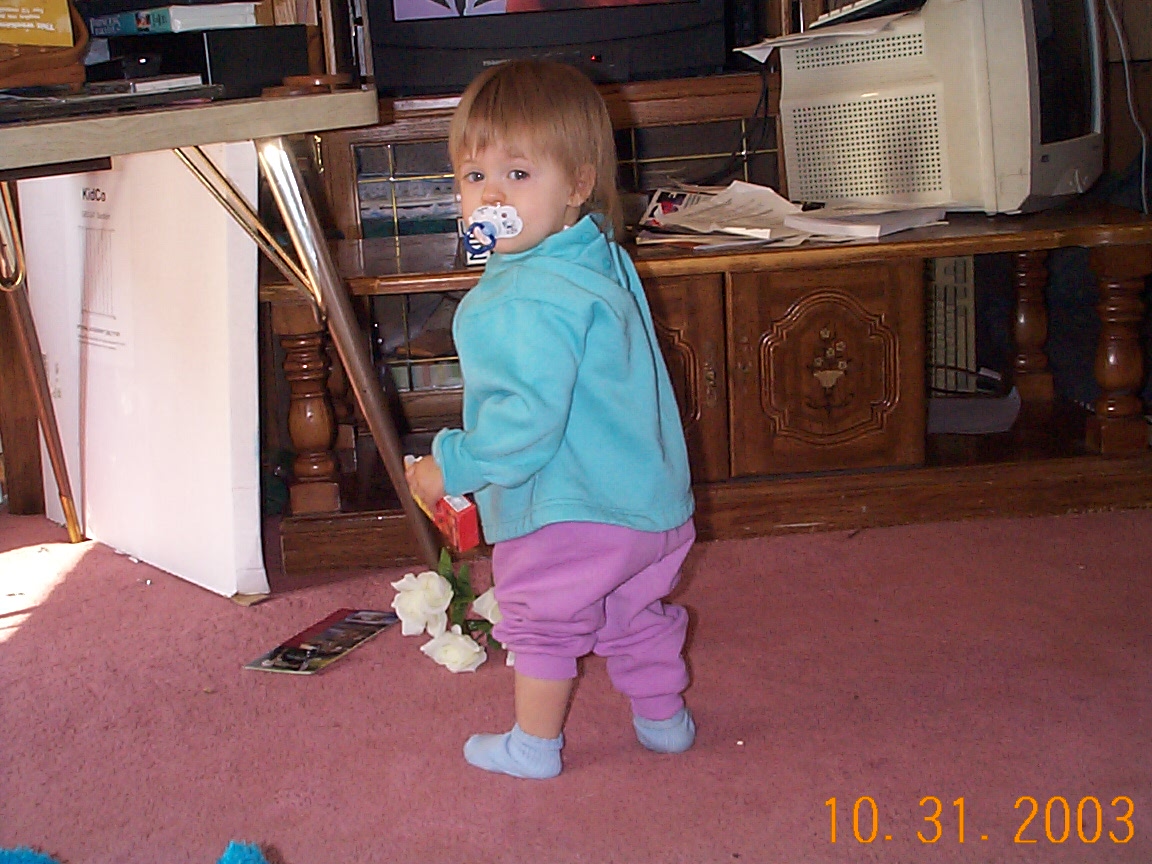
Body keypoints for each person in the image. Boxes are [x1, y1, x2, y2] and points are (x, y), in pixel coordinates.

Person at [405, 59, 696, 780]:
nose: (491, 196)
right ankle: (664, 722)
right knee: (634, 612)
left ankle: (534, 746)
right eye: (474, 176)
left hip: (569, 508)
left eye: (518, 174)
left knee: (540, 618)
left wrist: (450, 465)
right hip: (648, 501)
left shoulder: (518, 300)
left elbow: (522, 429)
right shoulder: (598, 256)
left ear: (577, 183)